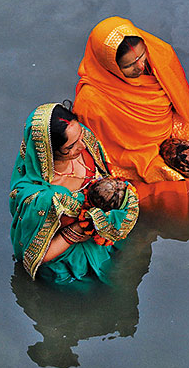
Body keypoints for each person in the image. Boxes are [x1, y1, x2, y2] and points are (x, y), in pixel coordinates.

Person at [10, 103, 139, 284]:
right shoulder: (42, 197)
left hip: (103, 237)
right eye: (70, 147)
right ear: (49, 151)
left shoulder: (83, 140)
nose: (82, 146)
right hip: (69, 262)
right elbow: (36, 255)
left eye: (80, 136)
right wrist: (80, 228)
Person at [74, 17, 189, 184]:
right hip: (134, 162)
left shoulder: (160, 55)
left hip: (173, 139)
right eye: (129, 65)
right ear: (109, 66)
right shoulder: (90, 102)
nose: (141, 66)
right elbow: (104, 151)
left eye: (142, 55)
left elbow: (180, 104)